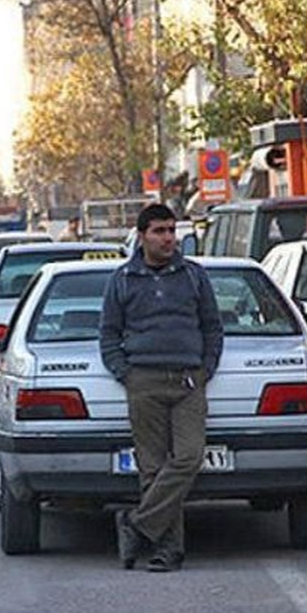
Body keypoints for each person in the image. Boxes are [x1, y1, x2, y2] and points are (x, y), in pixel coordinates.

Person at [100, 204, 223, 572]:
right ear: (142, 236)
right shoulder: (123, 279)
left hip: (187, 381)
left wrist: (206, 368)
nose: (168, 237)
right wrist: (125, 373)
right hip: (143, 381)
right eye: (159, 231)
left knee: (188, 457)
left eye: (171, 230)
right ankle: (167, 551)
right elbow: (108, 333)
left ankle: (135, 524)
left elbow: (212, 327)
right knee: (151, 469)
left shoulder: (193, 276)